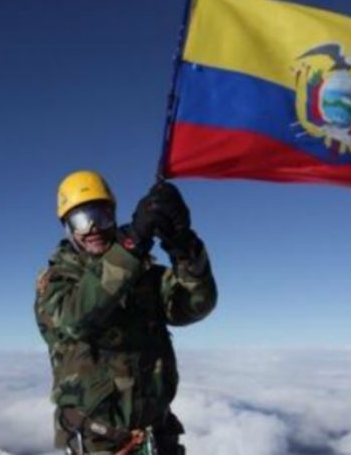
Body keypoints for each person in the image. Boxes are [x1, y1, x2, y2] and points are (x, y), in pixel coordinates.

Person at [34, 170, 218, 454]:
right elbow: (75, 320)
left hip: (157, 437)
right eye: (81, 219)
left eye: (101, 215)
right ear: (68, 227)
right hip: (98, 443)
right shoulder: (57, 281)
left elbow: (195, 306)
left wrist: (183, 246)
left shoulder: (142, 275)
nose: (93, 227)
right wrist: (131, 243)